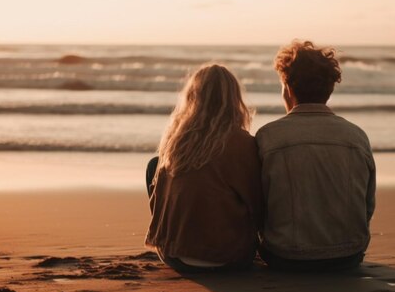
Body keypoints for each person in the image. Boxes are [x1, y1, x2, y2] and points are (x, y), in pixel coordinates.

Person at [255, 40, 376, 272]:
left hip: (285, 256)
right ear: (329, 89)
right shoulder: (356, 136)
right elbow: (367, 205)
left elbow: (258, 207)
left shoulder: (267, 137)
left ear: (288, 88)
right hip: (347, 256)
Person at [145, 64, 263, 273]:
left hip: (174, 256)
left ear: (192, 98)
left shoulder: (175, 140)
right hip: (229, 259)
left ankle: (170, 235)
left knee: (155, 164)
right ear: (235, 100)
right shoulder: (242, 143)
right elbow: (257, 205)